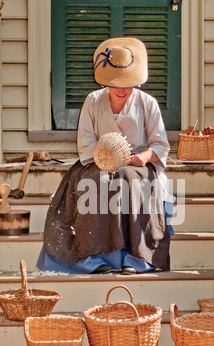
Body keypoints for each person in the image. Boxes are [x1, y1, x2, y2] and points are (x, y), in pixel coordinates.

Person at [37, 37, 174, 275]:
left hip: (137, 163)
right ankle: (94, 258)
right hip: (98, 161)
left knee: (131, 180)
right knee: (96, 183)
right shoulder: (92, 101)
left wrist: (144, 156)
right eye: (116, 83)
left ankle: (137, 257)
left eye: (128, 83)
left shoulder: (147, 103)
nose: (122, 90)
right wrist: (104, 158)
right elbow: (86, 141)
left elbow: (160, 144)